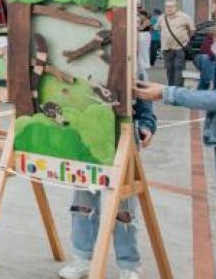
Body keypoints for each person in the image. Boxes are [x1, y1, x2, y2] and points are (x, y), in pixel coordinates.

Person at [136, 0, 216, 228]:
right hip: (167, 50)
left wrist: (166, 93)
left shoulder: (188, 20)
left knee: (174, 76)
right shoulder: (163, 20)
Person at [58, 68, 156, 279]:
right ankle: (82, 258)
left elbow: (145, 101)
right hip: (86, 142)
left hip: (121, 141)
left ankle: (128, 265)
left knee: (124, 209)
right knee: (83, 203)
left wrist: (147, 125)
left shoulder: (131, 60)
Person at [158, 0, 195, 89]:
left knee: (179, 68)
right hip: (166, 48)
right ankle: (171, 88)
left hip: (180, 47)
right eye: (166, 6)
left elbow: (192, 30)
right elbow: (159, 29)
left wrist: (185, 39)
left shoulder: (185, 17)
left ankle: (178, 90)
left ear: (176, 7)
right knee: (169, 69)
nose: (168, 8)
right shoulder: (161, 18)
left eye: (171, 6)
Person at [137, 9, 152, 82]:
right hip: (141, 36)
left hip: (145, 36)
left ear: (145, 16)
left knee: (144, 52)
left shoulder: (147, 21)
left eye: (141, 15)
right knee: (140, 52)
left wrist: (138, 23)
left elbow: (141, 28)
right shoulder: (142, 21)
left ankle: (144, 67)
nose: (139, 16)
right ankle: (142, 69)